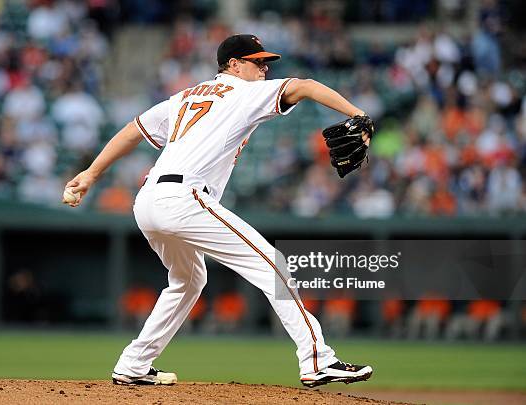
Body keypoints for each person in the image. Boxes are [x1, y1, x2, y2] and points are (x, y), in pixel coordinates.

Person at [64, 34, 373, 387]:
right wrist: (358, 114)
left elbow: (133, 131)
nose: (265, 67)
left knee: (189, 280)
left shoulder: (184, 97)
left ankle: (134, 364)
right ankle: (318, 360)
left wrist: (91, 173)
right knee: (274, 265)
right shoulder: (244, 92)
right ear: (233, 64)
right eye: (257, 61)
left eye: (265, 61)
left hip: (149, 200)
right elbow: (305, 86)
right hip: (184, 198)